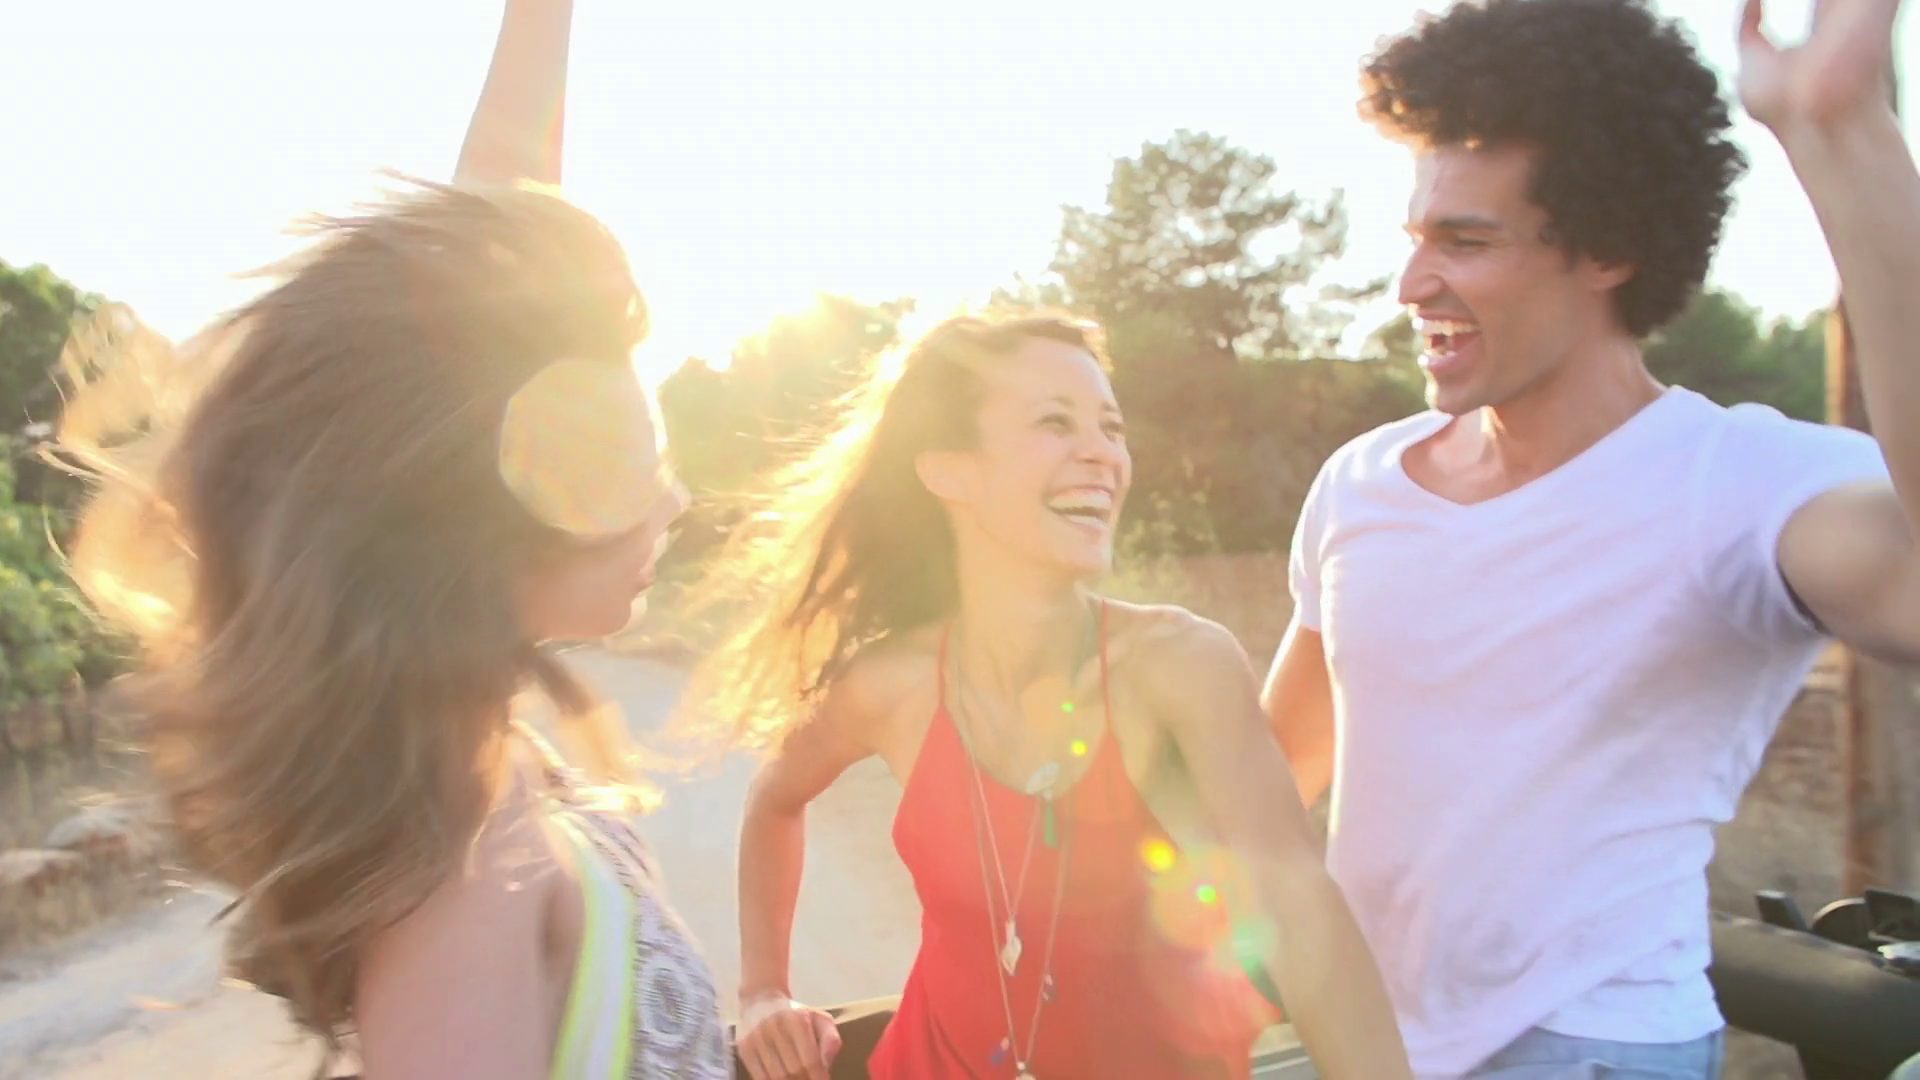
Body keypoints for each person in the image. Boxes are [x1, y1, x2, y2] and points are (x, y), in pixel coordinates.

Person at [55, 1, 728, 1077]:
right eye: (641, 463)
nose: (675, 503)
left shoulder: (477, 750)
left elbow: (469, 294)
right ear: (475, 516)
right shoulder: (459, 888)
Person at [1262, 0, 1920, 1076]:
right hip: (1368, 1049)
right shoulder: (1361, 483)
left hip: (1594, 1048)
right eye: (1419, 237)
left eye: (1466, 242)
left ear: (1608, 249)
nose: (1412, 284)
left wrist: (1846, 144)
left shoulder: (1739, 482)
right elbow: (1272, 775)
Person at [695, 313, 1412, 1080]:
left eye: (1111, 427)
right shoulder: (890, 684)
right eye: (1055, 422)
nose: (1102, 453)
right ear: (949, 470)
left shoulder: (1179, 665)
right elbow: (775, 797)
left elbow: (1298, 905)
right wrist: (765, 988)